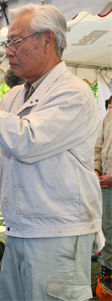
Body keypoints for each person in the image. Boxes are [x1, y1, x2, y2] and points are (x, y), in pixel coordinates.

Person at [0, 3, 103, 300]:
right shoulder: (17, 94)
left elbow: (26, 142)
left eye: (16, 41)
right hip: (21, 228)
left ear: (48, 40)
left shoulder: (73, 92)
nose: (9, 51)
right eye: (7, 43)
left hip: (58, 232)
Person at [93, 94, 112, 292]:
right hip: (106, 185)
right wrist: (96, 169)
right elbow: (98, 147)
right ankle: (107, 276)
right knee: (108, 229)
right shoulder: (109, 115)